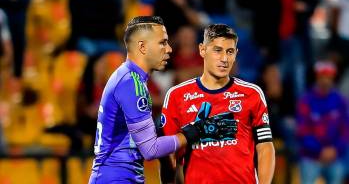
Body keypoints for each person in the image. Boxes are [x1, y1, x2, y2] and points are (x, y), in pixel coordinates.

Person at [88, 16, 237, 184]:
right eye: (162, 43)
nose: (169, 49)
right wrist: (198, 130)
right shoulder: (132, 84)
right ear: (142, 47)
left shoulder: (128, 77)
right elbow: (150, 149)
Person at [161, 24, 275, 183]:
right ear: (202, 50)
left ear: (236, 54)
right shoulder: (176, 96)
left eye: (230, 52)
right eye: (217, 50)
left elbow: (264, 146)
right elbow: (169, 155)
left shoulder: (252, 94)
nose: (224, 58)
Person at [296, 60, 349, 184]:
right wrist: (319, 150)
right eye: (322, 77)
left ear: (333, 78)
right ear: (317, 77)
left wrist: (335, 149)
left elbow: (345, 130)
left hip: (334, 156)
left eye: (328, 77)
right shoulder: (306, 100)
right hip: (311, 156)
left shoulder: (340, 100)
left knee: (340, 168)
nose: (325, 80)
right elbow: (302, 131)